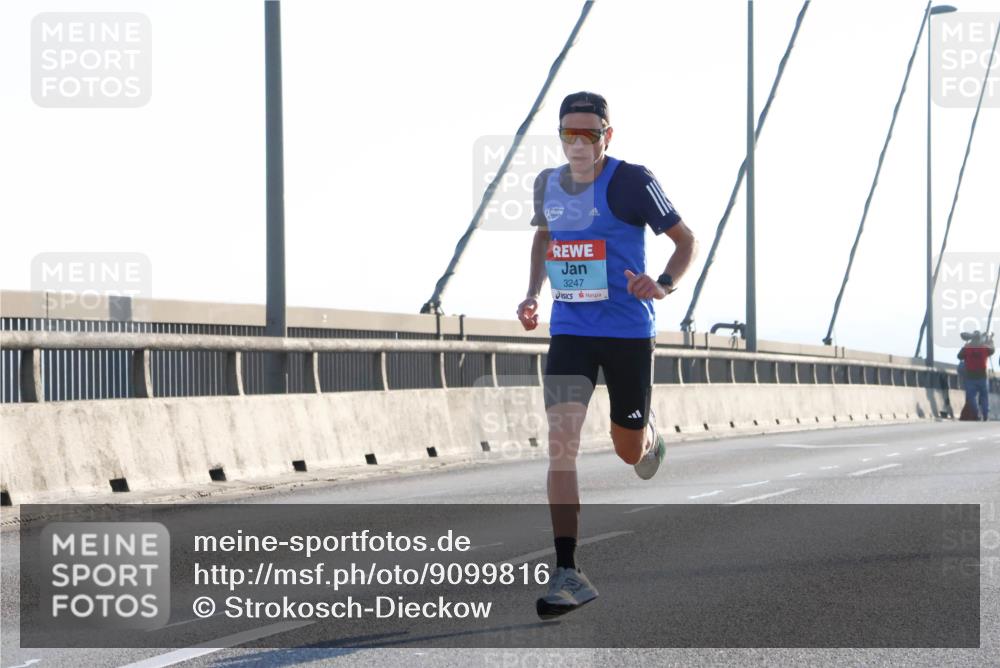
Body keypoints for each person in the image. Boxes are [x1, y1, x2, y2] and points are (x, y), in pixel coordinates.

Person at [515, 91, 698, 619]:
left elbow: (685, 241)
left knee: (627, 451)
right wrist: (532, 294)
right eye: (568, 134)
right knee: (561, 445)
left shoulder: (632, 180)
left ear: (606, 136)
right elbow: (545, 240)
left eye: (588, 135)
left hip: (627, 334)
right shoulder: (548, 184)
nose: (577, 144)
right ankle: (568, 571)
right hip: (571, 331)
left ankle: (648, 438)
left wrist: (662, 284)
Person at [958, 331, 995, 421]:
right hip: (982, 376)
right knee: (984, 397)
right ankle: (985, 415)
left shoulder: (967, 348)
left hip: (971, 377)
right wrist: (990, 340)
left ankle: (977, 414)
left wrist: (965, 346)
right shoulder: (984, 348)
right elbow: (992, 350)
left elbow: (959, 356)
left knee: (972, 398)